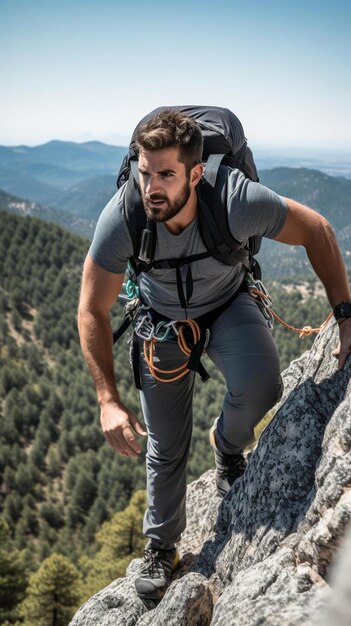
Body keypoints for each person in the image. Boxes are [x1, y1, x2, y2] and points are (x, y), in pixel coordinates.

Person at [78, 110, 351, 601]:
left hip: (229, 303)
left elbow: (317, 229)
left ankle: (227, 446)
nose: (151, 187)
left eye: (165, 174)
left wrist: (345, 313)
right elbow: (91, 309)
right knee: (164, 443)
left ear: (196, 172)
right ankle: (161, 547)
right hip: (160, 320)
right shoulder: (125, 214)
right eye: (144, 172)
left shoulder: (234, 199)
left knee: (263, 384)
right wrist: (107, 399)